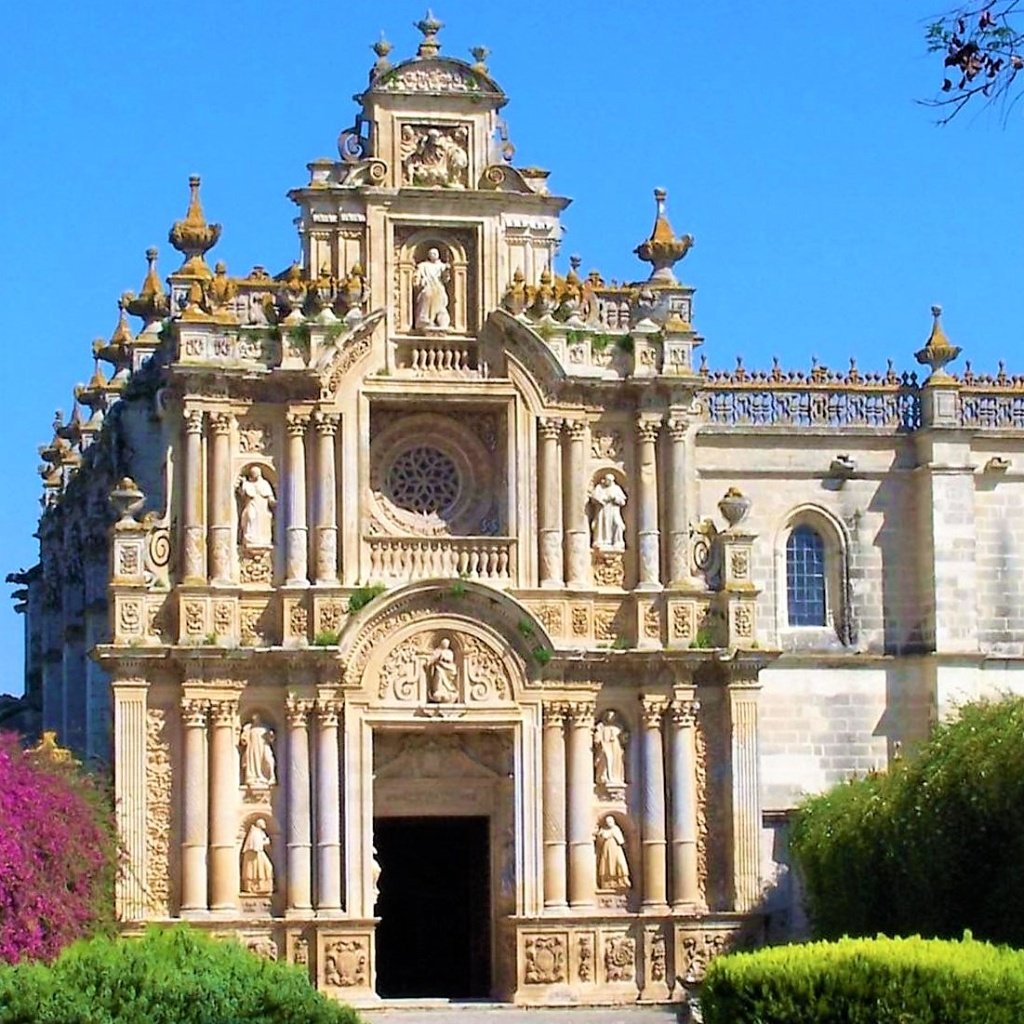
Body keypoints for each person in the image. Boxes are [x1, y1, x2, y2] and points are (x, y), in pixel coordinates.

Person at [238, 466, 276, 550]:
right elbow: (242, 495)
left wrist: (275, 503)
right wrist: (242, 485)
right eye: (252, 473)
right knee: (251, 517)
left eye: (255, 473)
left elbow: (270, 498)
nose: (254, 474)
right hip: (251, 505)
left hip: (262, 508)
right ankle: (250, 538)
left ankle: (263, 540)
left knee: (264, 520)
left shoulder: (265, 484)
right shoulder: (247, 484)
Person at [413, 247, 451, 330]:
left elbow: (446, 279)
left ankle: (441, 321)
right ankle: (424, 320)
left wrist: (447, 271)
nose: (433, 255)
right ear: (428, 255)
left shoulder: (442, 266)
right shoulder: (423, 266)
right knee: (427, 295)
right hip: (427, 287)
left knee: (441, 305)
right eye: (431, 253)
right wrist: (420, 281)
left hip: (438, 288)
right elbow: (417, 279)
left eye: (435, 253)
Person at [591, 473, 627, 550]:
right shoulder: (599, 487)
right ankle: (601, 541)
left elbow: (623, 501)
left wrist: (615, 498)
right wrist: (600, 500)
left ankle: (617, 541)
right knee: (602, 525)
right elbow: (593, 498)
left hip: (613, 510)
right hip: (602, 511)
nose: (608, 482)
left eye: (610, 481)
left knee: (618, 524)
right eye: (607, 480)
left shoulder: (616, 488)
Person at [594, 815, 631, 891]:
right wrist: (600, 836)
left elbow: (621, 841)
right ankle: (608, 883)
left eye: (610, 821)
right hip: (606, 849)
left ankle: (622, 881)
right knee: (607, 864)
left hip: (616, 848)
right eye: (608, 822)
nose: (609, 823)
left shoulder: (616, 829)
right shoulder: (603, 830)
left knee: (620, 863)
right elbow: (598, 841)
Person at [239, 713, 276, 787]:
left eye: (256, 717)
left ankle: (271, 777)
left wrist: (271, 735)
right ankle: (252, 778)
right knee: (252, 762)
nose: (254, 718)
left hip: (263, 746)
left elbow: (271, 739)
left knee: (269, 760)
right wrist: (244, 739)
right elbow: (244, 739)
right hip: (252, 748)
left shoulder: (265, 727)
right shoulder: (248, 727)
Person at [593, 709, 627, 788]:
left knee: (616, 762)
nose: (610, 718)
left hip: (616, 747)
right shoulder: (601, 727)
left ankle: (616, 777)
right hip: (605, 746)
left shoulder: (619, 727)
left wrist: (624, 737)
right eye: (608, 716)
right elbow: (597, 738)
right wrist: (598, 739)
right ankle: (604, 777)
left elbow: (623, 739)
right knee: (606, 759)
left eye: (612, 716)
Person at [240, 818, 274, 895]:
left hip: (258, 853)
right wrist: (266, 841)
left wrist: (266, 841)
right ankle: (255, 887)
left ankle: (263, 886)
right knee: (259, 869)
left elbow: (260, 843)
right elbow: (255, 845)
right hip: (255, 854)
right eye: (263, 823)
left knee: (268, 868)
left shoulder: (260, 833)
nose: (265, 824)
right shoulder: (255, 832)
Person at [426, 636, 458, 702]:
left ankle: (449, 689)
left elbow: (450, 660)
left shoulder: (449, 652)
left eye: (447, 644)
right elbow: (430, 661)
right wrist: (437, 659)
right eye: (444, 643)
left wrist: (445, 660)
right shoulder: (437, 651)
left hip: (447, 666)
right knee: (438, 673)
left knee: (453, 670)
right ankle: (438, 689)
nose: (446, 645)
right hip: (439, 666)